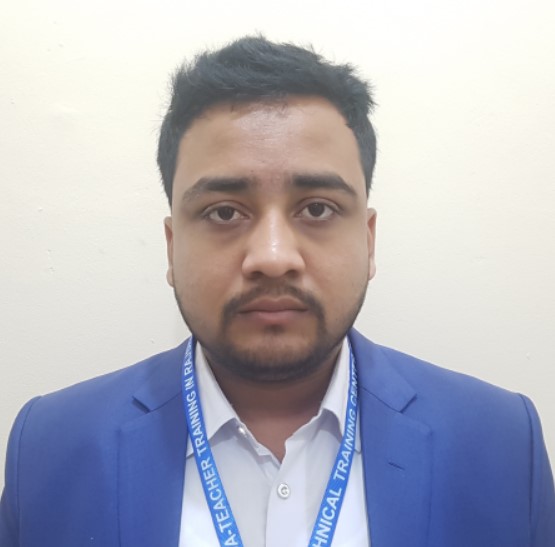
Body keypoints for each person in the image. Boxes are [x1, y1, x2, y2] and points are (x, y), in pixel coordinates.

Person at [1, 35, 553, 547]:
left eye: (317, 209)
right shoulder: (49, 448)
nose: (271, 257)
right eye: (224, 212)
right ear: (171, 247)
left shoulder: (502, 444)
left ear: (368, 240)